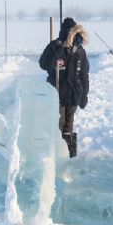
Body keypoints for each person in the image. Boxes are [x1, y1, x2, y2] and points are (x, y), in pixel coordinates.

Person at [39, 17, 90, 158]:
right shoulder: (55, 47)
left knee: (69, 125)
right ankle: (56, 155)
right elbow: (43, 64)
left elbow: (84, 75)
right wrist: (56, 51)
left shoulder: (80, 51)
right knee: (59, 124)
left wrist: (85, 94)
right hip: (58, 93)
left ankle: (70, 156)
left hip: (74, 95)